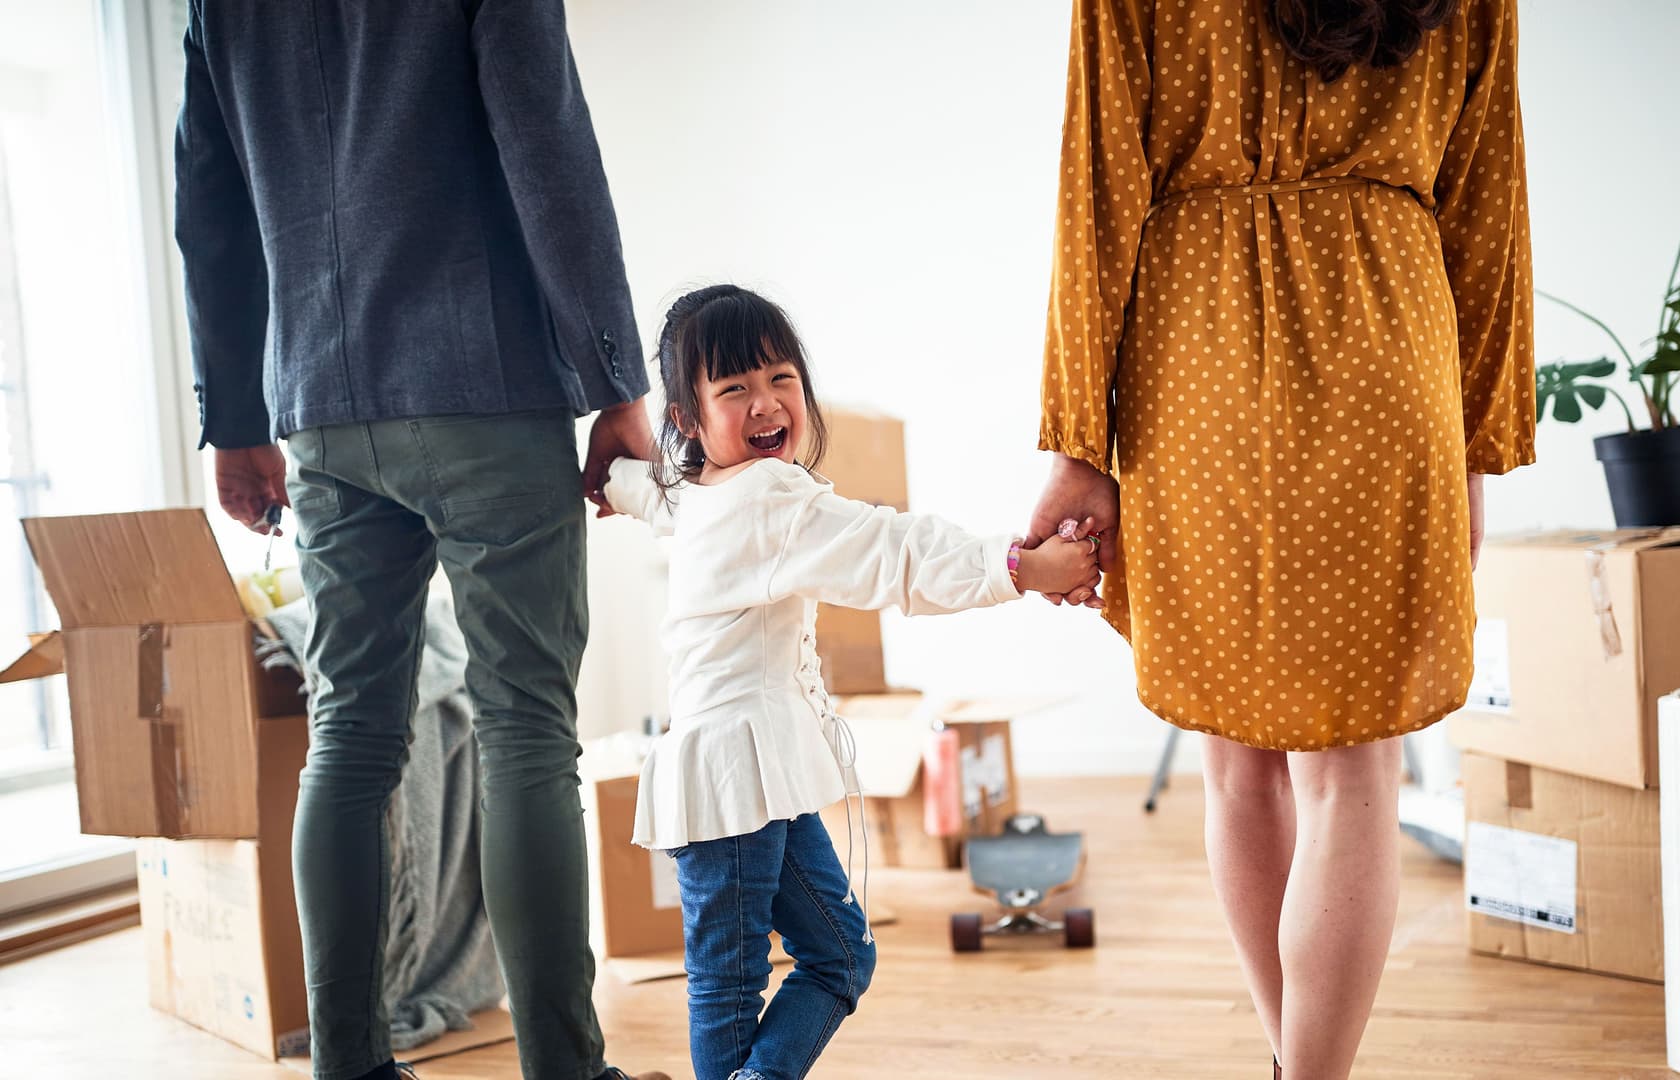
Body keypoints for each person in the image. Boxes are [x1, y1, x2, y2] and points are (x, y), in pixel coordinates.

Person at [1028, 0, 1535, 1075]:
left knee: (1235, 763)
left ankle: (1295, 1065)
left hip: (1197, 356)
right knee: (1358, 772)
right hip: (1388, 340)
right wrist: (1478, 443)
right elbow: (1489, 205)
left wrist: (1078, 443)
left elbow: (1098, 185)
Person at [176, 2, 662, 1078]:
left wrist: (239, 420)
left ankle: (347, 1063)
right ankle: (565, 1070)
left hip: (320, 404)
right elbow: (550, 147)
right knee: (527, 728)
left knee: (350, 735)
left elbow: (209, 211)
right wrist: (615, 378)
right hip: (484, 384)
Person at [603, 285, 1100, 1080]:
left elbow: (643, 490)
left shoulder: (697, 494)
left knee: (840, 956)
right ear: (689, 421)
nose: (765, 404)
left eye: (780, 378)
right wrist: (1025, 568)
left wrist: (610, 478)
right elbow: (895, 553)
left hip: (763, 782)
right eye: (734, 389)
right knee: (737, 985)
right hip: (734, 783)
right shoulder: (766, 497)